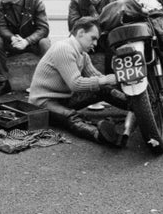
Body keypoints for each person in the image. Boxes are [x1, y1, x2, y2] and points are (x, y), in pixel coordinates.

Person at [29, 17, 130, 146]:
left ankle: (135, 107)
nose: (95, 44)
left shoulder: (83, 55)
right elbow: (75, 84)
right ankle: (100, 135)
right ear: (81, 33)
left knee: (103, 89)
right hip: (43, 103)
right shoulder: (64, 48)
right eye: (93, 38)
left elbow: (97, 77)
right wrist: (105, 79)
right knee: (72, 117)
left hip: (64, 98)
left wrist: (120, 81)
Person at [0, 0, 51, 97]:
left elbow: (43, 29)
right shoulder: (3, 4)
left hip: (32, 43)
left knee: (45, 42)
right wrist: (12, 38)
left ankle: (48, 82)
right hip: (14, 42)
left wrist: (27, 41)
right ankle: (4, 83)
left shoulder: (35, 1)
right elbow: (0, 27)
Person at [68, 0, 119, 74]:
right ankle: (74, 76)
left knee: (115, 39)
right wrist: (93, 14)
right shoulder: (77, 0)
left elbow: (116, 24)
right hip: (86, 37)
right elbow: (73, 25)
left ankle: (110, 78)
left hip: (105, 39)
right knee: (71, 41)